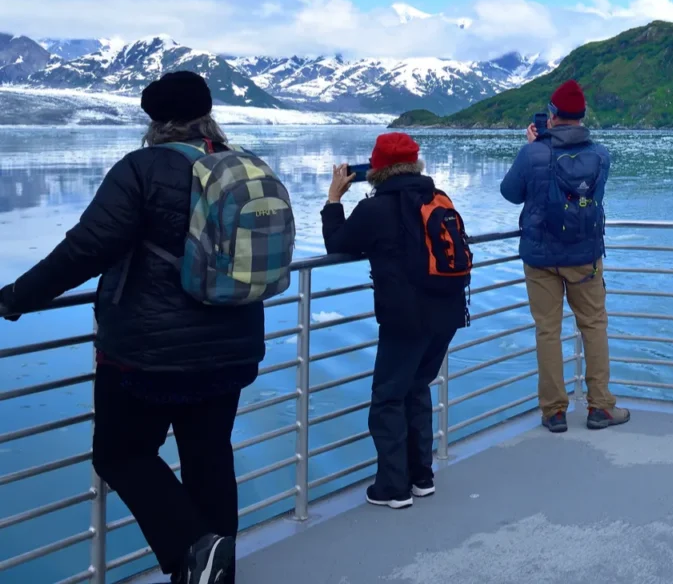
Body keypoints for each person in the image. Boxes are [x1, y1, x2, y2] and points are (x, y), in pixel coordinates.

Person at [0, 71, 282, 584]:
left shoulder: (144, 168)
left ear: (155, 120)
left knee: (121, 454)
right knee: (209, 458)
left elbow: (86, 248)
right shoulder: (241, 164)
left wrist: (17, 297)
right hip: (233, 345)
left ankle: (194, 548)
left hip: (148, 355)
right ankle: (213, 572)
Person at [324, 133, 470, 509]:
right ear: (415, 164)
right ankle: (421, 476)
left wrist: (334, 199)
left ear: (377, 169)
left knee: (388, 397)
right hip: (448, 313)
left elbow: (337, 244)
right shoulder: (438, 198)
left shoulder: (377, 208)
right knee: (417, 388)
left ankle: (393, 487)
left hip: (406, 318)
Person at [500, 79, 628, 433]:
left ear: (552, 115)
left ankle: (554, 412)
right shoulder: (601, 154)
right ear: (583, 116)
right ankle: (600, 406)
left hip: (541, 258)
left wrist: (534, 146)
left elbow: (510, 193)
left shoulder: (533, 152)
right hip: (586, 256)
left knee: (548, 331)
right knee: (594, 326)